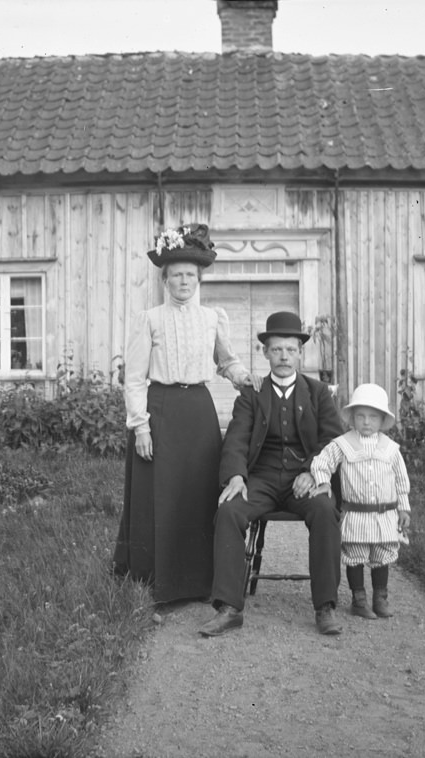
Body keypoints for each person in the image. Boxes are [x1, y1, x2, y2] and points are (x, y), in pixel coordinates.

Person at [113, 223, 257, 604]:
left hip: (198, 411)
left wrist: (244, 377)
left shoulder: (212, 318)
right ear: (165, 278)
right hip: (160, 410)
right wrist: (140, 426)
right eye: (176, 274)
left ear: (199, 278)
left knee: (197, 493)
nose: (183, 281)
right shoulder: (150, 319)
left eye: (190, 275)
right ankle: (155, 580)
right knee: (159, 495)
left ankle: (197, 581)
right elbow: (134, 378)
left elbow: (227, 361)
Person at [199, 311, 345, 637]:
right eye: (276, 349)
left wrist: (313, 471)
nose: (283, 356)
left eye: (290, 350)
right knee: (229, 510)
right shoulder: (252, 393)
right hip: (261, 479)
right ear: (265, 352)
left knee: (324, 510)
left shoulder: (318, 392)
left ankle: (325, 606)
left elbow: (332, 440)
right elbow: (236, 439)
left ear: (299, 353)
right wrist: (236, 476)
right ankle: (230, 607)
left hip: (303, 479)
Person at [309, 383, 411, 619]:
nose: (366, 422)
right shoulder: (343, 444)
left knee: (380, 555)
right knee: (355, 554)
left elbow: (400, 480)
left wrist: (404, 508)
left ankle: (380, 598)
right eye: (360, 416)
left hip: (384, 515)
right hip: (356, 514)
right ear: (352, 418)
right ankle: (359, 599)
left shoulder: (390, 449)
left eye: (373, 417)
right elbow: (321, 462)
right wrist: (323, 482)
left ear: (382, 419)